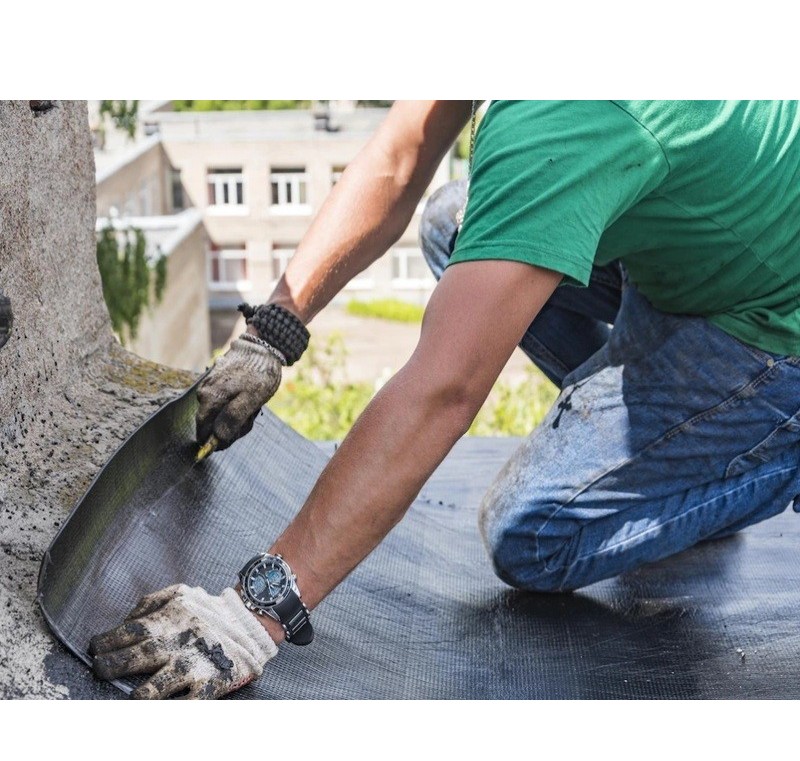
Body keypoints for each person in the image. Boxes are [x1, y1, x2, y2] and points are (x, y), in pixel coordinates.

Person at [88, 100, 800, 699]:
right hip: (716, 243)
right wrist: (272, 332)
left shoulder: (571, 115)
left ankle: (751, 443)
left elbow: (446, 390)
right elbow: (398, 157)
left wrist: (255, 612)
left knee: (535, 535)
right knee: (457, 222)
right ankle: (679, 440)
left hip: (771, 324)